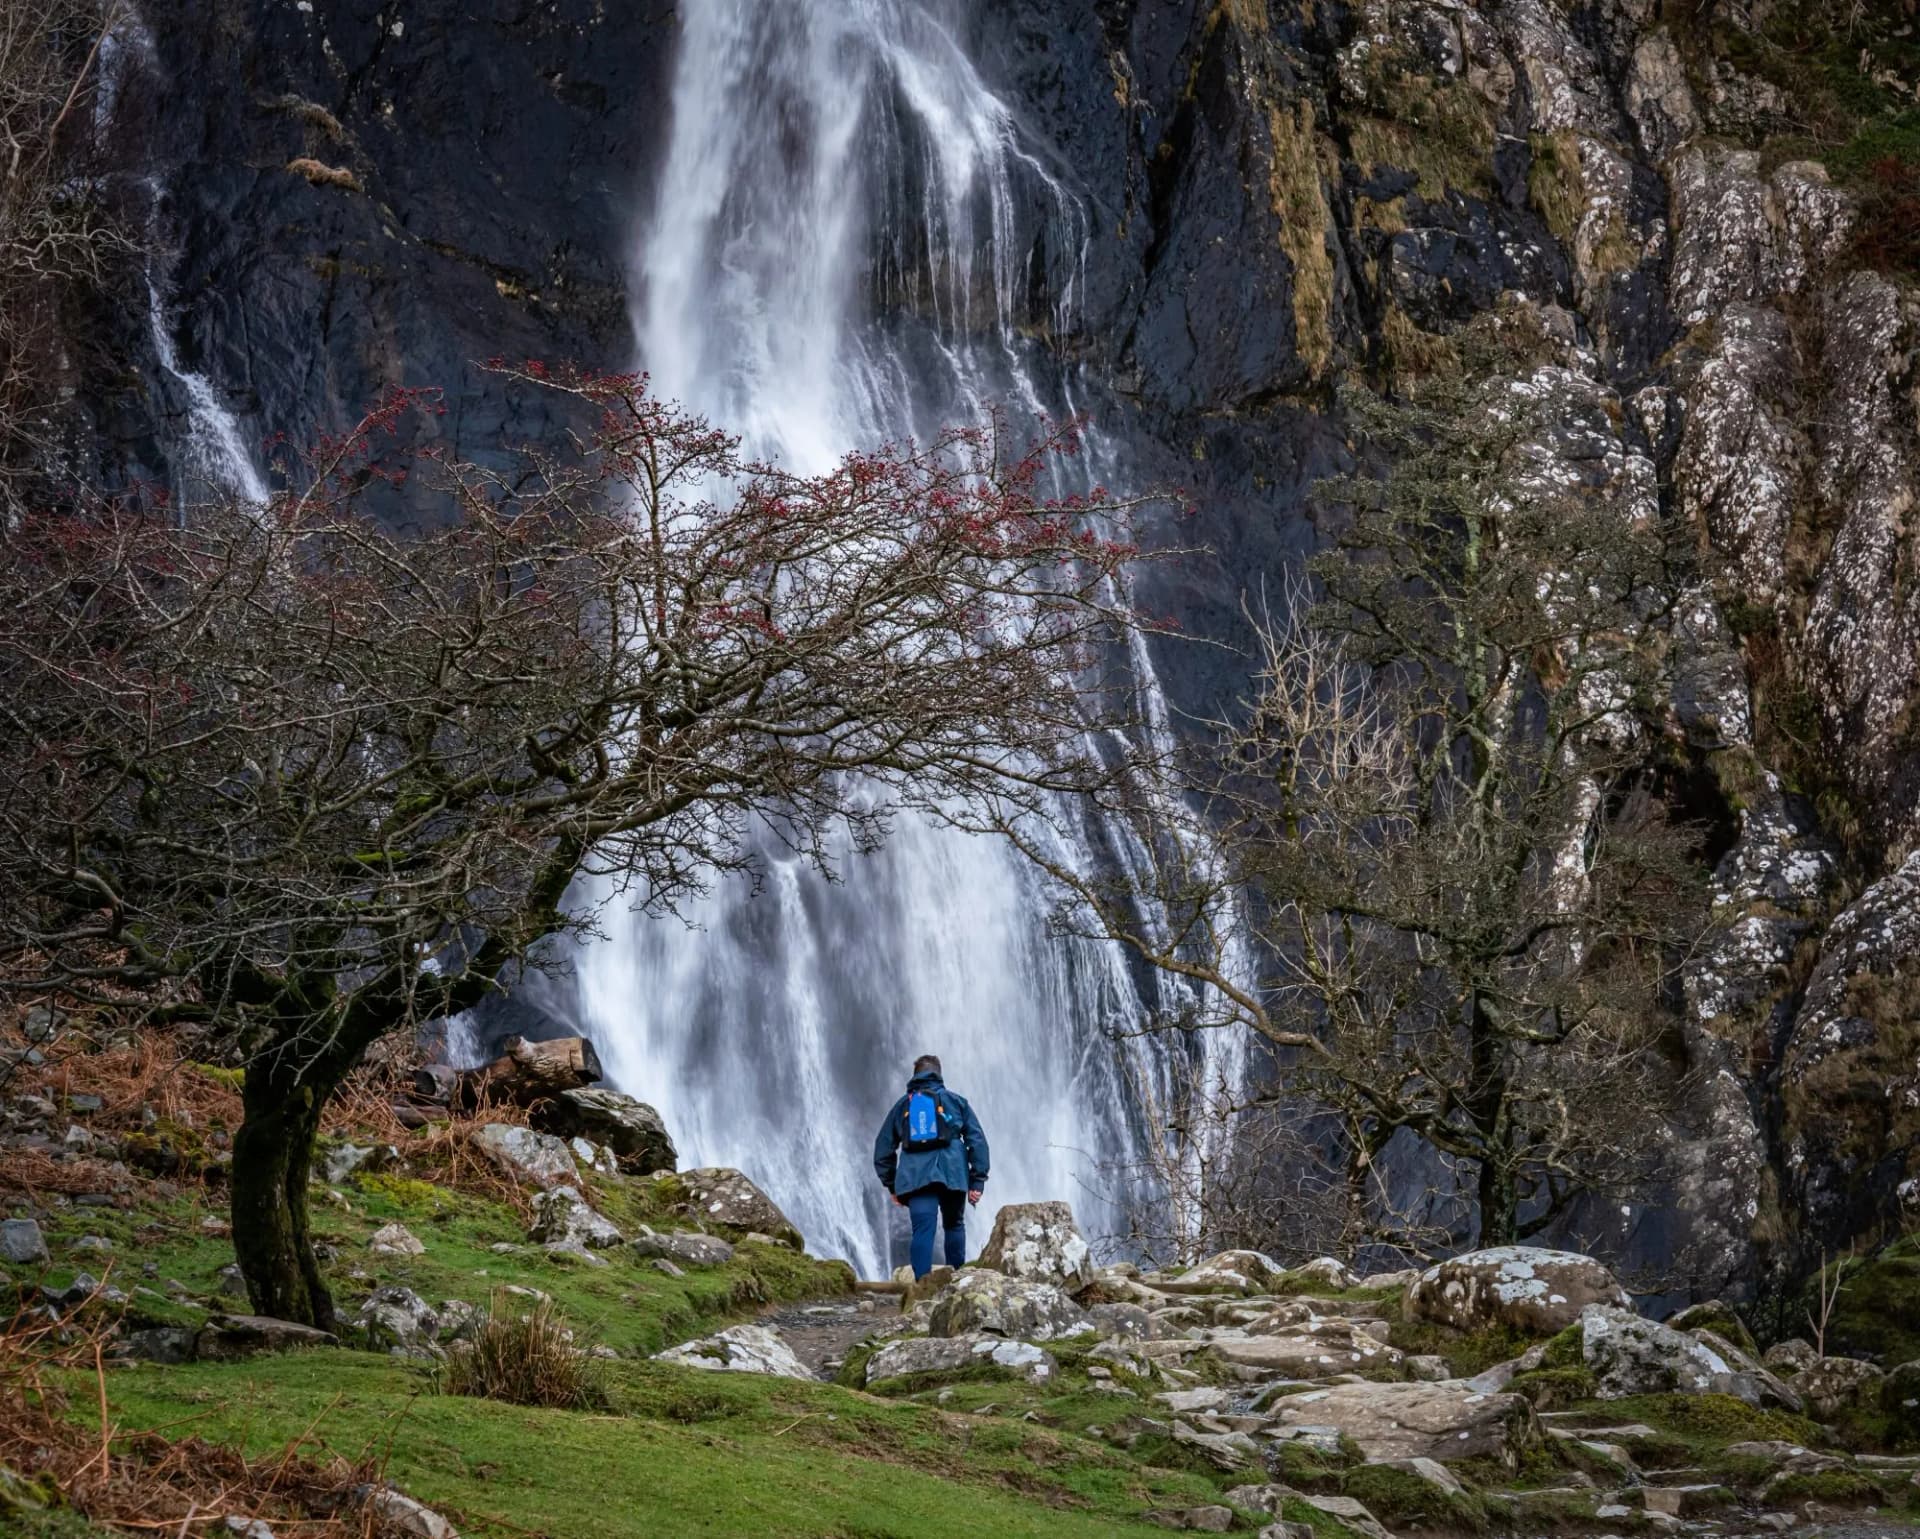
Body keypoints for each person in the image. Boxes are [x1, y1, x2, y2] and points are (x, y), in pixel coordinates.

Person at [873, 1053, 990, 1279]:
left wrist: (892, 1185)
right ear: (939, 1074)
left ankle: (922, 1289)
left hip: (916, 1178)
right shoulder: (956, 1102)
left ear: (915, 1076)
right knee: (954, 1225)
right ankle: (957, 1283)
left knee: (922, 1231)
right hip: (953, 1174)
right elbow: (977, 1142)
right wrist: (977, 1180)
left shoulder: (903, 1106)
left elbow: (883, 1148)